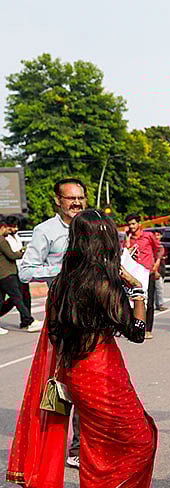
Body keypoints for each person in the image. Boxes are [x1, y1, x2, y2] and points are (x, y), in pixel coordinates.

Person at [7, 209, 157, 488]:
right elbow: (136, 333)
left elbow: (57, 333)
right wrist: (137, 291)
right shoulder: (102, 284)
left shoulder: (64, 282)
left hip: (74, 373)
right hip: (102, 373)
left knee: (94, 447)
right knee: (140, 440)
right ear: (102, 242)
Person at [20, 178, 86, 467]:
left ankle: (82, 447)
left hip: (92, 314)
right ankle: (56, 447)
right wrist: (61, 269)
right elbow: (25, 272)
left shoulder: (92, 226)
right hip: (62, 314)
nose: (77, 203)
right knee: (64, 382)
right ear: (58, 201)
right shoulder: (44, 231)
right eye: (70, 198)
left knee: (90, 381)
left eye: (81, 198)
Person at [122, 213, 162, 339]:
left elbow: (159, 249)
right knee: (132, 300)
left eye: (133, 224)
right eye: (129, 224)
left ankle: (147, 329)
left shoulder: (148, 236)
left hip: (147, 272)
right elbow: (125, 255)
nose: (132, 227)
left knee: (148, 302)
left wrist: (157, 263)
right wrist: (127, 241)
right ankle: (134, 326)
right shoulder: (128, 239)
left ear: (139, 224)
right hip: (134, 274)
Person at [0, 216, 41, 333]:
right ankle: (28, 320)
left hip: (17, 271)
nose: (14, 229)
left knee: (21, 297)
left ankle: (26, 320)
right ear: (4, 227)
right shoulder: (3, 240)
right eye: (11, 227)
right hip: (8, 273)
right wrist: (23, 252)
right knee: (17, 298)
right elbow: (12, 255)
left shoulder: (13, 237)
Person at [151, 229, 167, 311]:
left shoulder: (161, 246)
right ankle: (159, 305)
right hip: (154, 271)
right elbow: (156, 260)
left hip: (160, 270)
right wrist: (155, 271)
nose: (156, 237)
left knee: (158, 288)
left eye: (158, 235)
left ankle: (158, 304)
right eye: (155, 235)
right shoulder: (153, 246)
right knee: (157, 289)